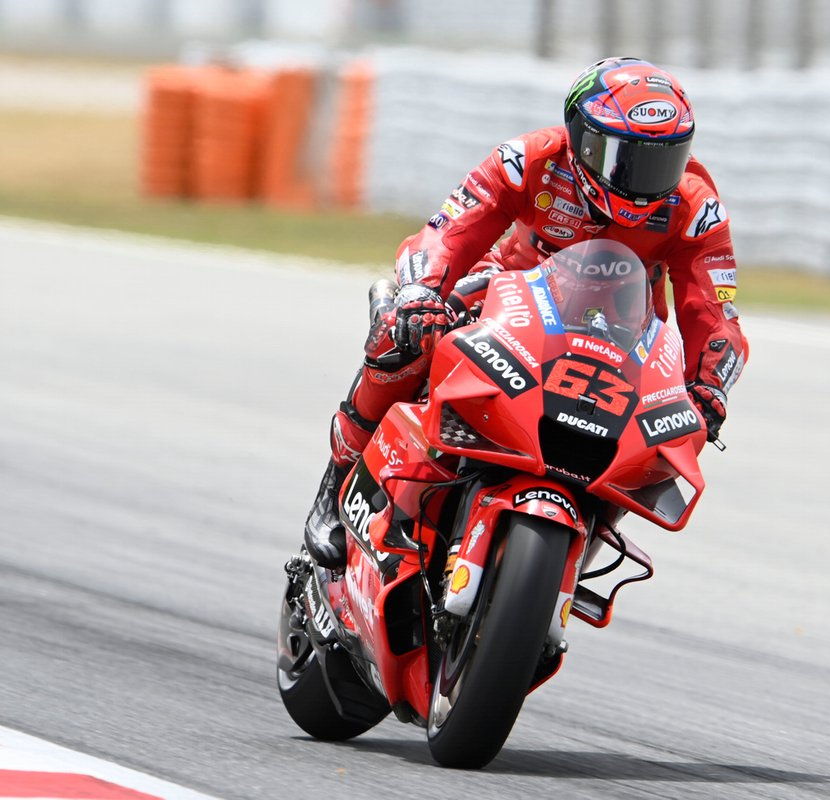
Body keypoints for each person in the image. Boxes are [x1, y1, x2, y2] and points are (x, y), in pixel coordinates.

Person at [305, 56, 749, 569]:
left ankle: (578, 545)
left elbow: (714, 311)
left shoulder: (695, 205)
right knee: (400, 336)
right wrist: (421, 293)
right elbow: (451, 229)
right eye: (625, 159)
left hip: (625, 334)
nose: (646, 179)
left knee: (668, 435)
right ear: (582, 138)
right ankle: (338, 486)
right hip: (507, 297)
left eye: (663, 160)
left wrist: (708, 386)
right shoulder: (530, 159)